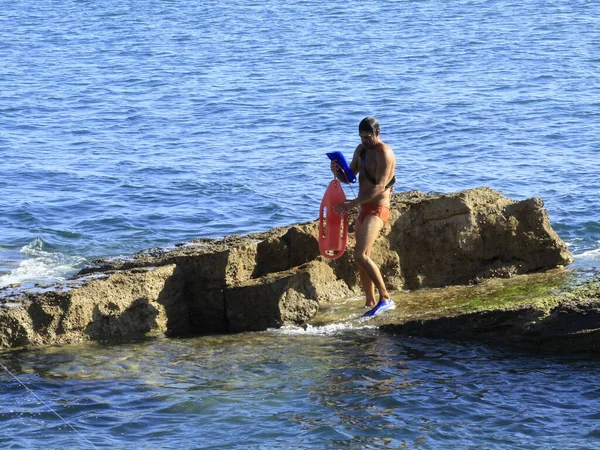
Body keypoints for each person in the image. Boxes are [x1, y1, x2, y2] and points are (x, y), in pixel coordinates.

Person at [332, 117, 397, 316]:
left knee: (360, 253)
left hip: (378, 209)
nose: (364, 141)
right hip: (362, 209)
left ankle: (385, 298)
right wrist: (337, 171)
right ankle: (369, 302)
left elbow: (379, 187)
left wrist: (352, 203)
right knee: (362, 257)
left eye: (368, 137)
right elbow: (350, 176)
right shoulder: (361, 150)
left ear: (378, 133)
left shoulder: (384, 153)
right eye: (361, 137)